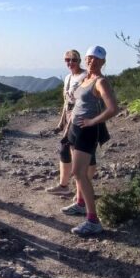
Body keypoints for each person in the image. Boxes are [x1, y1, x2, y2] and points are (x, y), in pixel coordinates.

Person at [61, 46, 119, 236]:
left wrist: (93, 121)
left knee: (79, 173)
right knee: (78, 173)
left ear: (103, 62)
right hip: (75, 129)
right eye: (89, 58)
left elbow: (112, 108)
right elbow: (77, 102)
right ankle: (80, 203)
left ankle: (93, 220)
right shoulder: (86, 78)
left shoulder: (100, 81)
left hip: (87, 131)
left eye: (95, 59)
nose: (91, 61)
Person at [47, 49, 92, 196]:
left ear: (79, 61)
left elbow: (86, 99)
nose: (70, 62)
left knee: (80, 154)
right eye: (67, 60)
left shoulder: (85, 76)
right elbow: (66, 101)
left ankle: (81, 193)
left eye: (73, 59)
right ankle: (65, 186)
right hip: (69, 115)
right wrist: (62, 121)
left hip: (80, 117)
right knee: (65, 149)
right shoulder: (67, 78)